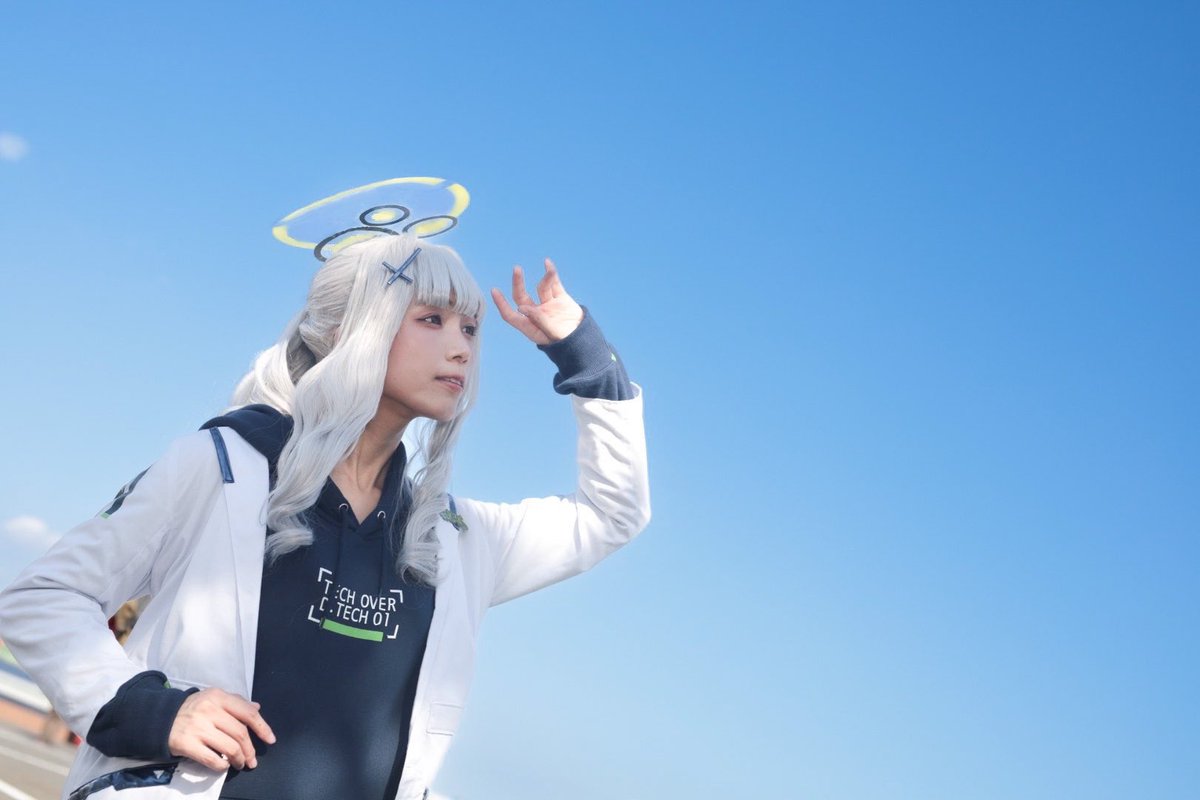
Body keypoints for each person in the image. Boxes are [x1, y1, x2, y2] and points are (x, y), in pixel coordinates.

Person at [0, 234, 650, 800]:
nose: (461, 349)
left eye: (471, 329)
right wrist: (151, 709)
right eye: (431, 319)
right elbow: (45, 597)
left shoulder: (451, 539)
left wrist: (587, 357)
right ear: (351, 329)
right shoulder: (224, 465)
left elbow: (610, 514)